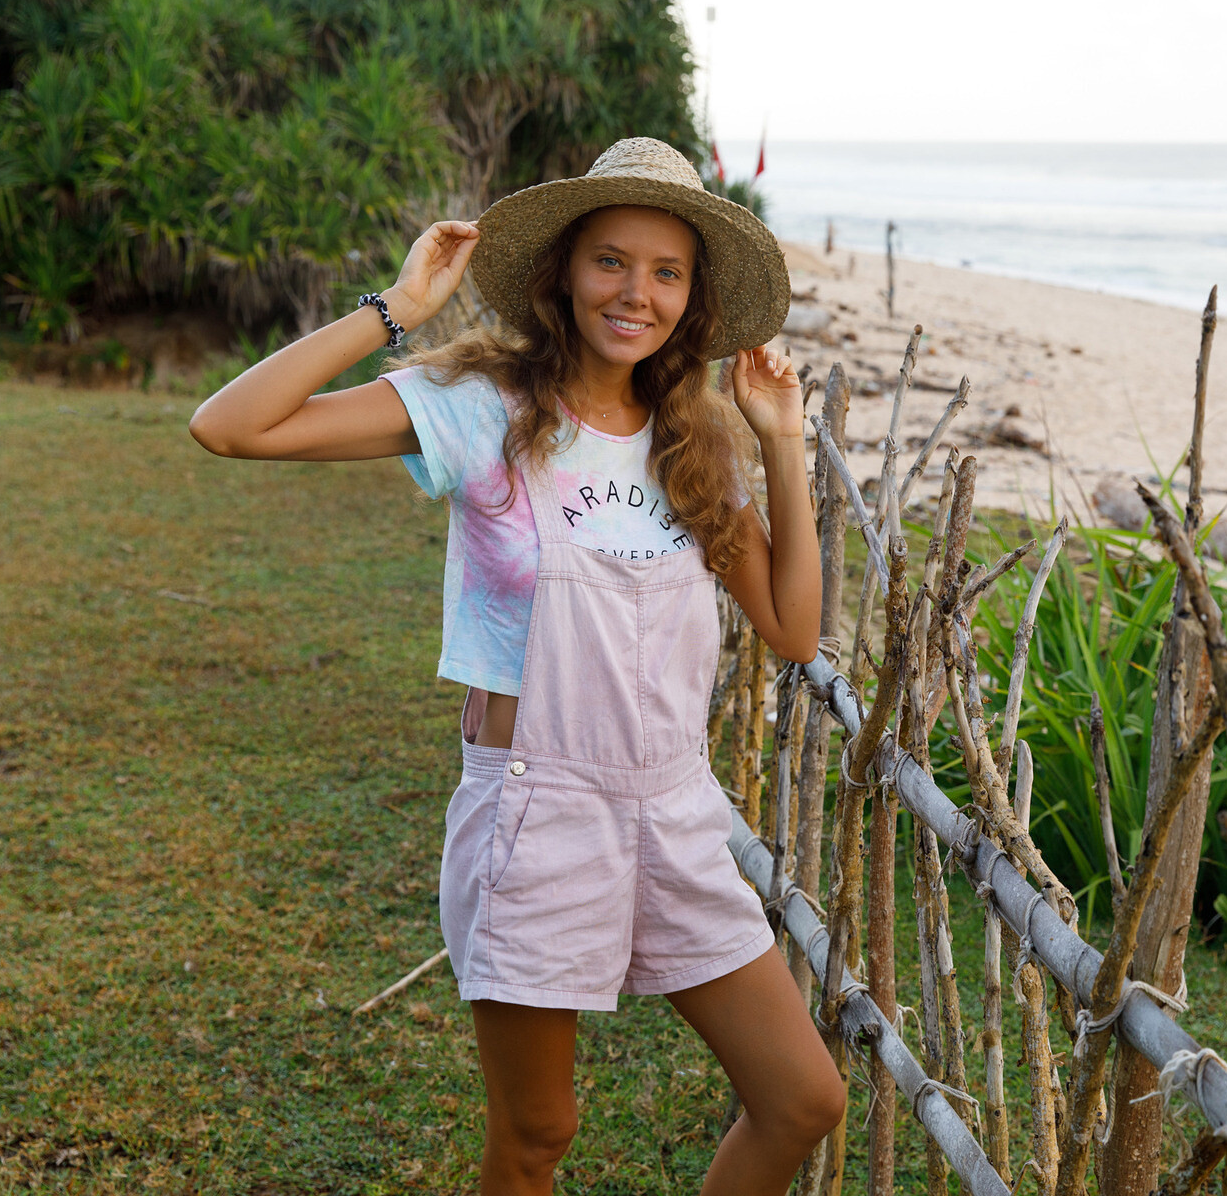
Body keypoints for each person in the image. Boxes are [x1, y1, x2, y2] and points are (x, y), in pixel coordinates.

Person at [188, 137, 846, 1196]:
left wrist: (778, 437)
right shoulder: (481, 407)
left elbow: (795, 629)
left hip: (676, 806)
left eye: (666, 272)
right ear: (564, 270)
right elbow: (229, 427)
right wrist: (396, 309)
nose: (635, 293)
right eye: (610, 261)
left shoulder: (690, 441)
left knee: (802, 1098)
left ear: (692, 298)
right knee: (538, 1134)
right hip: (538, 810)